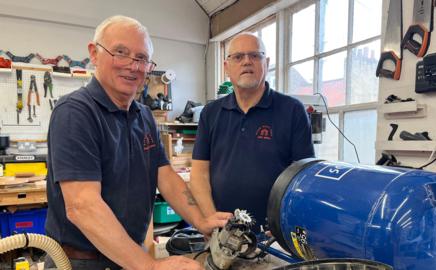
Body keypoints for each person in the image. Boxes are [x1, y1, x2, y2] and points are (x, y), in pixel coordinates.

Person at [45, 15, 231, 270]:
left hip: (128, 256)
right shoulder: (75, 112)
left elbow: (164, 176)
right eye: (121, 52)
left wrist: (202, 221)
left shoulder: (143, 116)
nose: (133, 66)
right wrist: (151, 266)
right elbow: (82, 206)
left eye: (142, 58)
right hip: (82, 262)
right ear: (94, 53)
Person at [190, 32, 315, 233]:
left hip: (274, 234)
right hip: (223, 231)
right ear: (226, 67)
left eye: (254, 56)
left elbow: (304, 179)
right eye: (238, 57)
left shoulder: (292, 110)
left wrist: (285, 222)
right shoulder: (211, 113)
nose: (247, 62)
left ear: (266, 62)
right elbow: (199, 175)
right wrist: (211, 219)